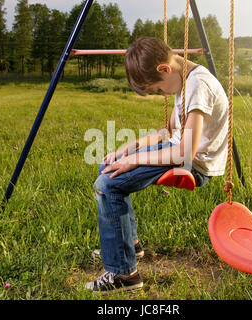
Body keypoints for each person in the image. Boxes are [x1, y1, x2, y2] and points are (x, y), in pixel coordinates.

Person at [85, 37, 229, 294]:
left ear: (164, 69)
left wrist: (134, 160)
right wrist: (133, 147)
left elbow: (185, 151)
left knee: (107, 184)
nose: (162, 94)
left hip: (194, 164)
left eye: (158, 90)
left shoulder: (198, 84)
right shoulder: (185, 79)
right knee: (107, 167)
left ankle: (124, 274)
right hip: (178, 151)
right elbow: (170, 132)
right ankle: (129, 245)